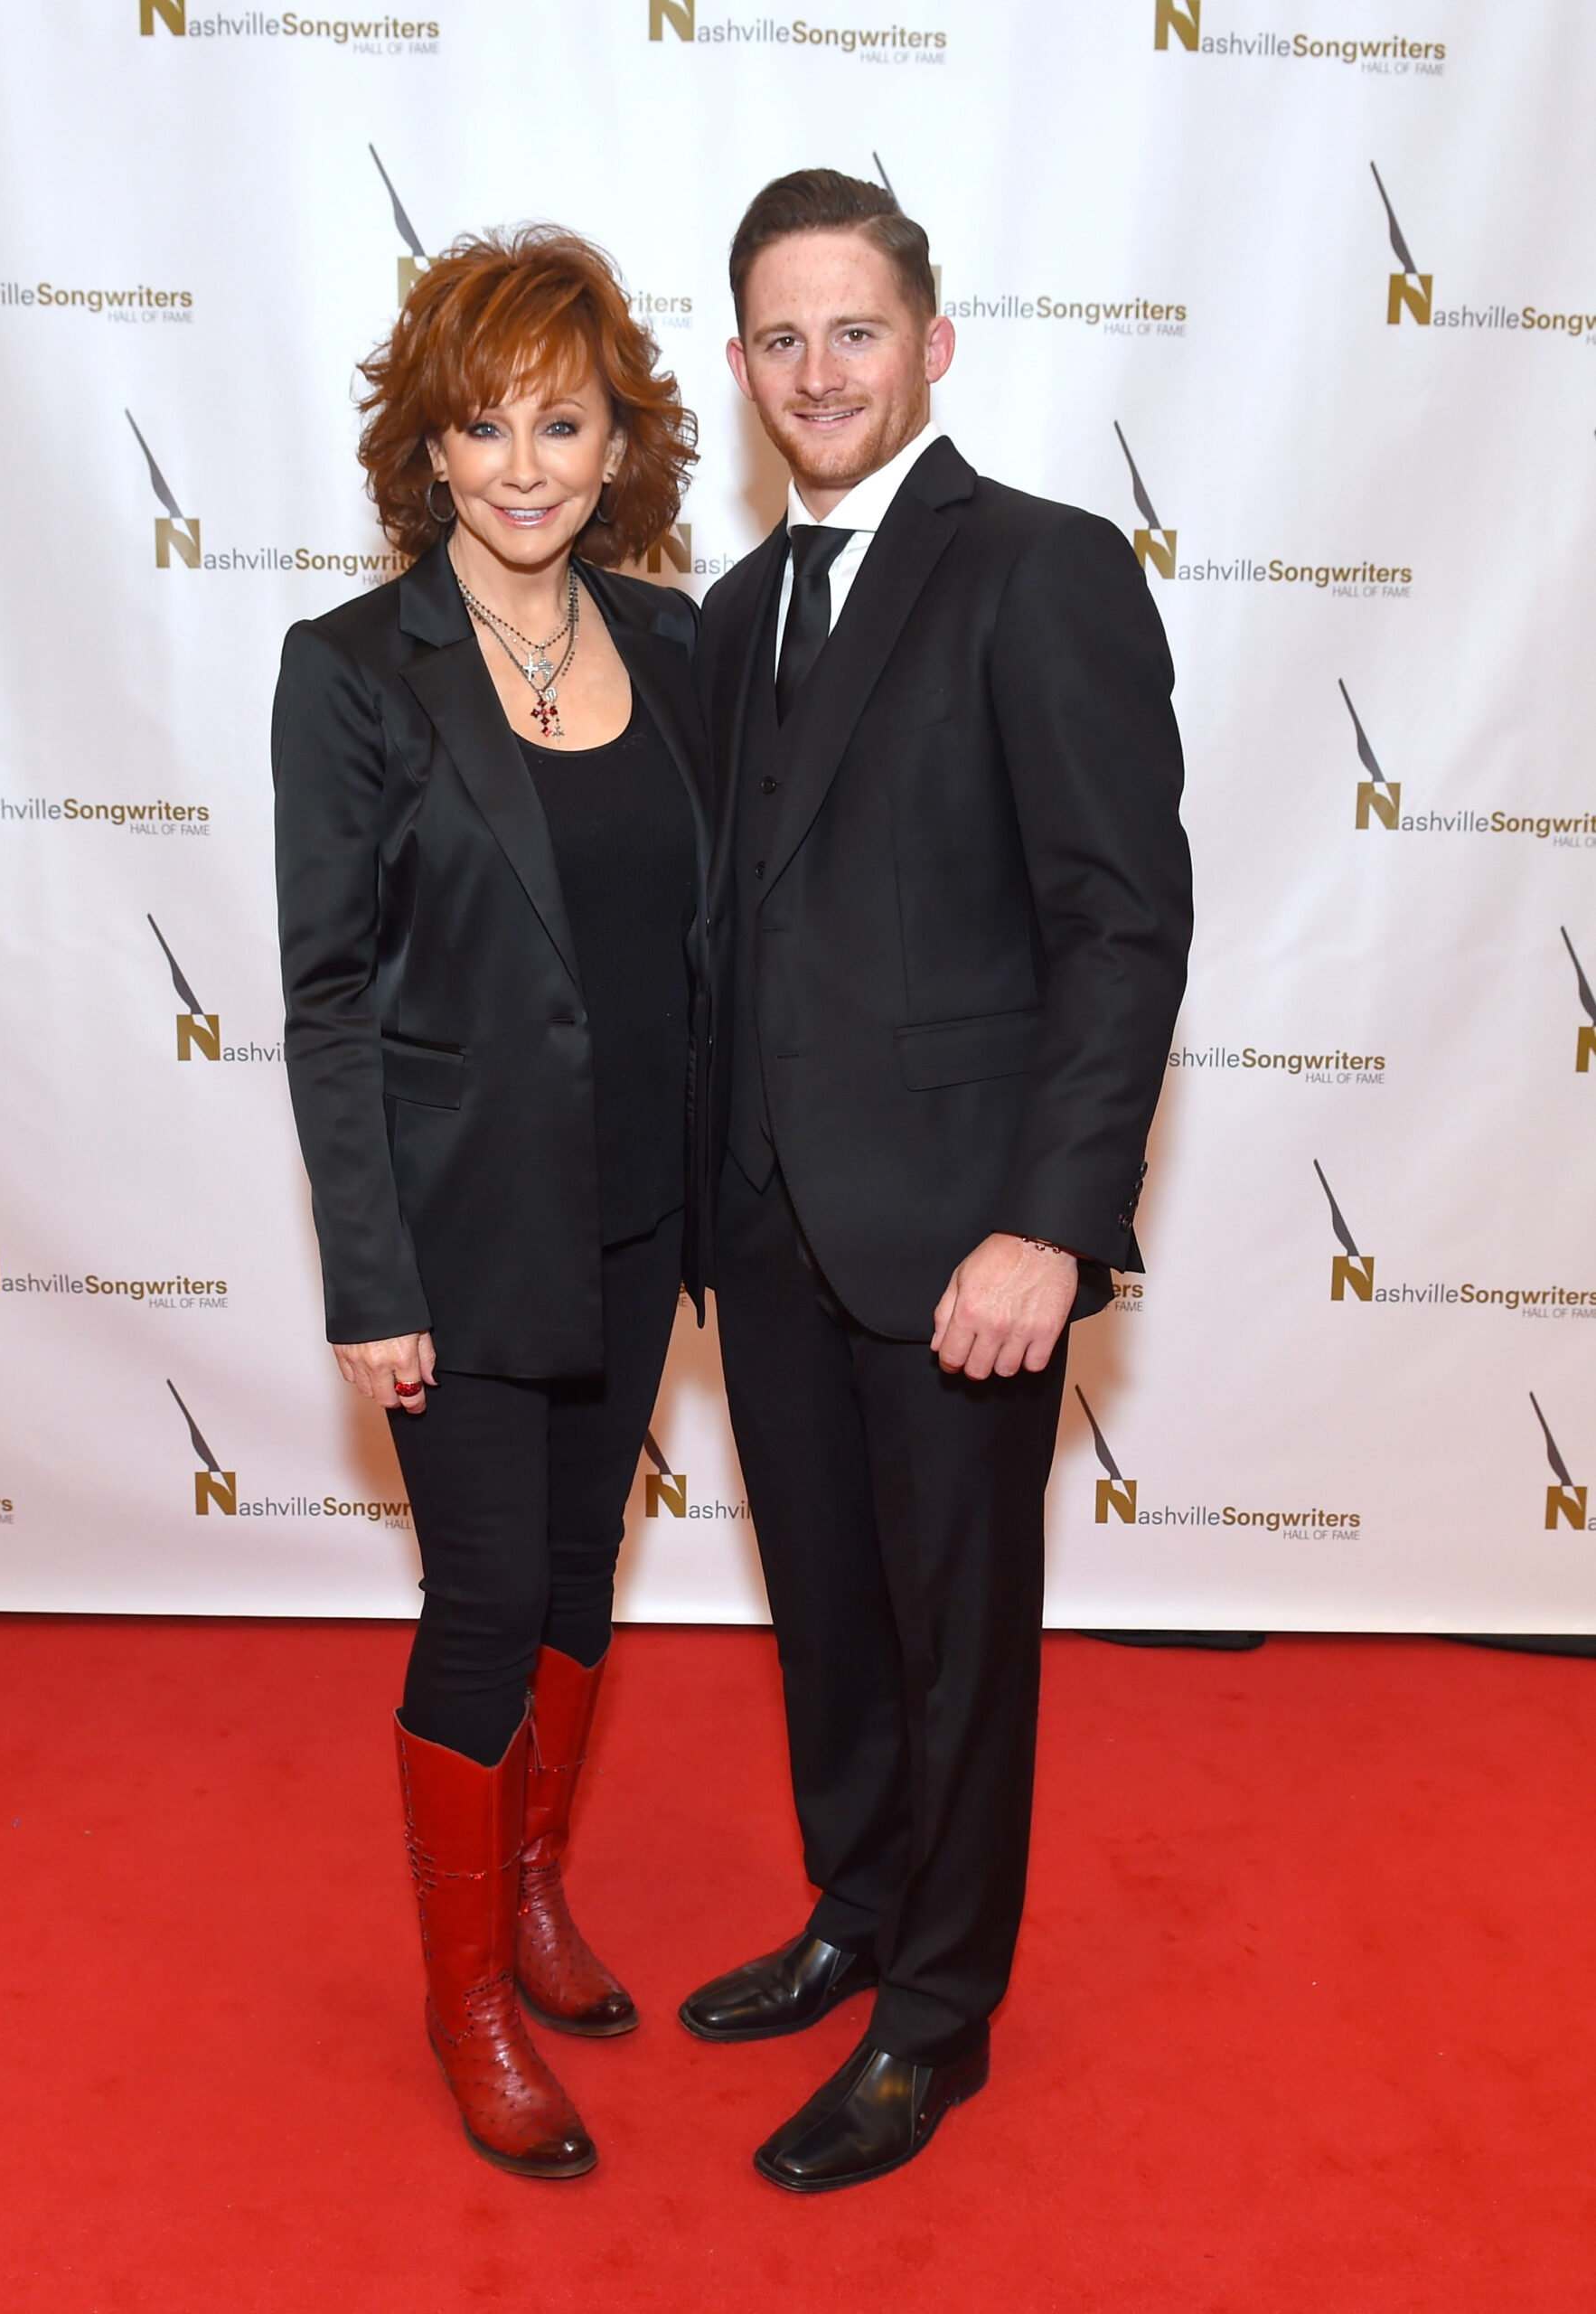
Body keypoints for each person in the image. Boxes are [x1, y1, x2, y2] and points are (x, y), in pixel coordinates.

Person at [681, 171, 1192, 2192]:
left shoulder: (1041, 571)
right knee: (824, 1610)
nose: (820, 370)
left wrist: (1048, 1219)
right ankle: (858, 1906)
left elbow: (1120, 922)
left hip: (966, 1236)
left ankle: (936, 2016)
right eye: (782, 338)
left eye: (855, 329)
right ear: (740, 368)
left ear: (932, 343)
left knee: (962, 1629)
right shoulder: (730, 618)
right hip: (770, 1225)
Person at [272, 229, 705, 2180]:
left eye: (561, 417)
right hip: (455, 1233)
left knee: (581, 1572)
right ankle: (461, 1994)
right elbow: (329, 991)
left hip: (640, 1213)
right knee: (479, 1600)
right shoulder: (352, 672)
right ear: (424, 451)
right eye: (481, 424)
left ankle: (533, 1886)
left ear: (616, 436)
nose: (523, 461)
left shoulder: (680, 645)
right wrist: (371, 1274)